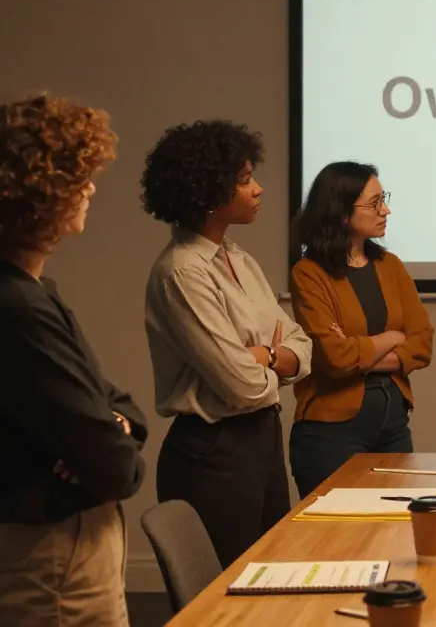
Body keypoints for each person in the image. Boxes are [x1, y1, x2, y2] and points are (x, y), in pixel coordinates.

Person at [0, 95, 148, 625]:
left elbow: (120, 409)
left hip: (61, 561)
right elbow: (115, 465)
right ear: (32, 195)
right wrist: (109, 433)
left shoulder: (23, 291)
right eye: (73, 178)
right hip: (50, 573)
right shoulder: (13, 306)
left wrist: (113, 424)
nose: (87, 190)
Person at [142, 120, 312, 568]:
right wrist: (268, 362)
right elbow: (242, 386)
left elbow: (302, 346)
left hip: (261, 439)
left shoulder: (239, 258)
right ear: (209, 191)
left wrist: (266, 356)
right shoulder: (182, 272)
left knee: (272, 576)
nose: (258, 189)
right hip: (212, 453)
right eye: (244, 180)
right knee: (228, 595)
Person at [289, 162, 434, 496]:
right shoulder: (309, 272)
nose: (386, 210)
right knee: (339, 541)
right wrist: (391, 338)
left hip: (393, 423)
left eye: (384, 199)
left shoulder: (390, 265)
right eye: (374, 203)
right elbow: (334, 359)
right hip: (332, 431)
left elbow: (422, 343)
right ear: (341, 212)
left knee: (394, 532)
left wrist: (360, 349)